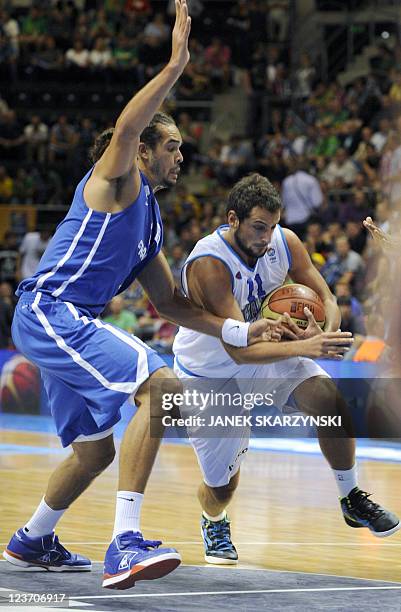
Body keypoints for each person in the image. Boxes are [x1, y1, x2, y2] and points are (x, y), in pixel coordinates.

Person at [2, 2, 273, 591]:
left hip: (63, 324)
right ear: (146, 150)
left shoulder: (149, 223)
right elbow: (126, 128)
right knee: (160, 384)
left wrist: (240, 331)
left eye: (181, 148)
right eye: (172, 146)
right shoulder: (117, 178)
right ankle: (124, 541)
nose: (182, 156)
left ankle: (32, 538)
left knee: (94, 452)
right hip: (52, 310)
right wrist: (176, 65)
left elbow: (172, 305)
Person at [173, 173, 400, 565]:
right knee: (222, 487)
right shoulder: (209, 265)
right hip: (211, 373)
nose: (266, 237)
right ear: (233, 220)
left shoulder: (284, 242)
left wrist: (324, 330)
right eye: (258, 227)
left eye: (272, 227)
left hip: (270, 355)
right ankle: (214, 517)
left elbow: (326, 295)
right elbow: (240, 349)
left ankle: (350, 497)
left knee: (329, 398)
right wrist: (307, 346)